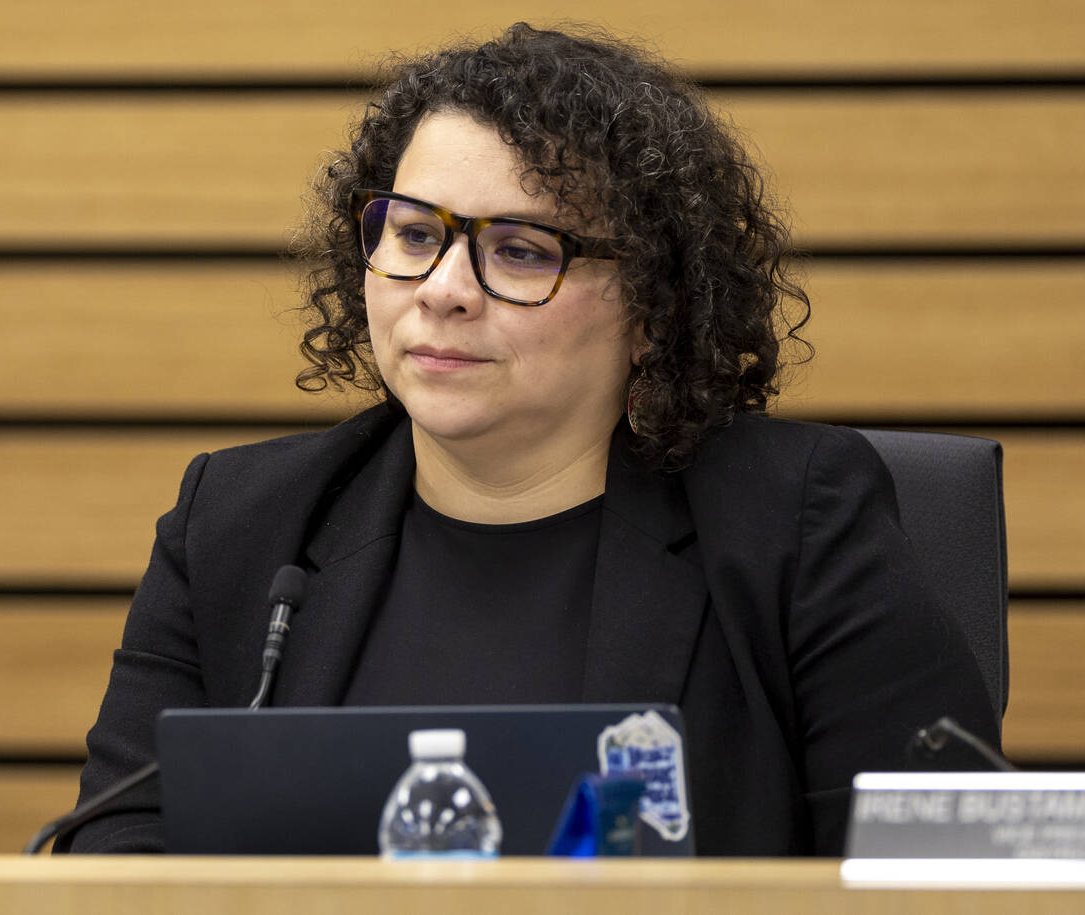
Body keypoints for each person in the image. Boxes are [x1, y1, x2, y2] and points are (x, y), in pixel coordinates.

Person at [57, 23, 999, 856]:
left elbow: (944, 870)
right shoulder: (241, 524)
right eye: (414, 234)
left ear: (655, 307)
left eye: (519, 250)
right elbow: (116, 854)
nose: (443, 288)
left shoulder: (792, 523)